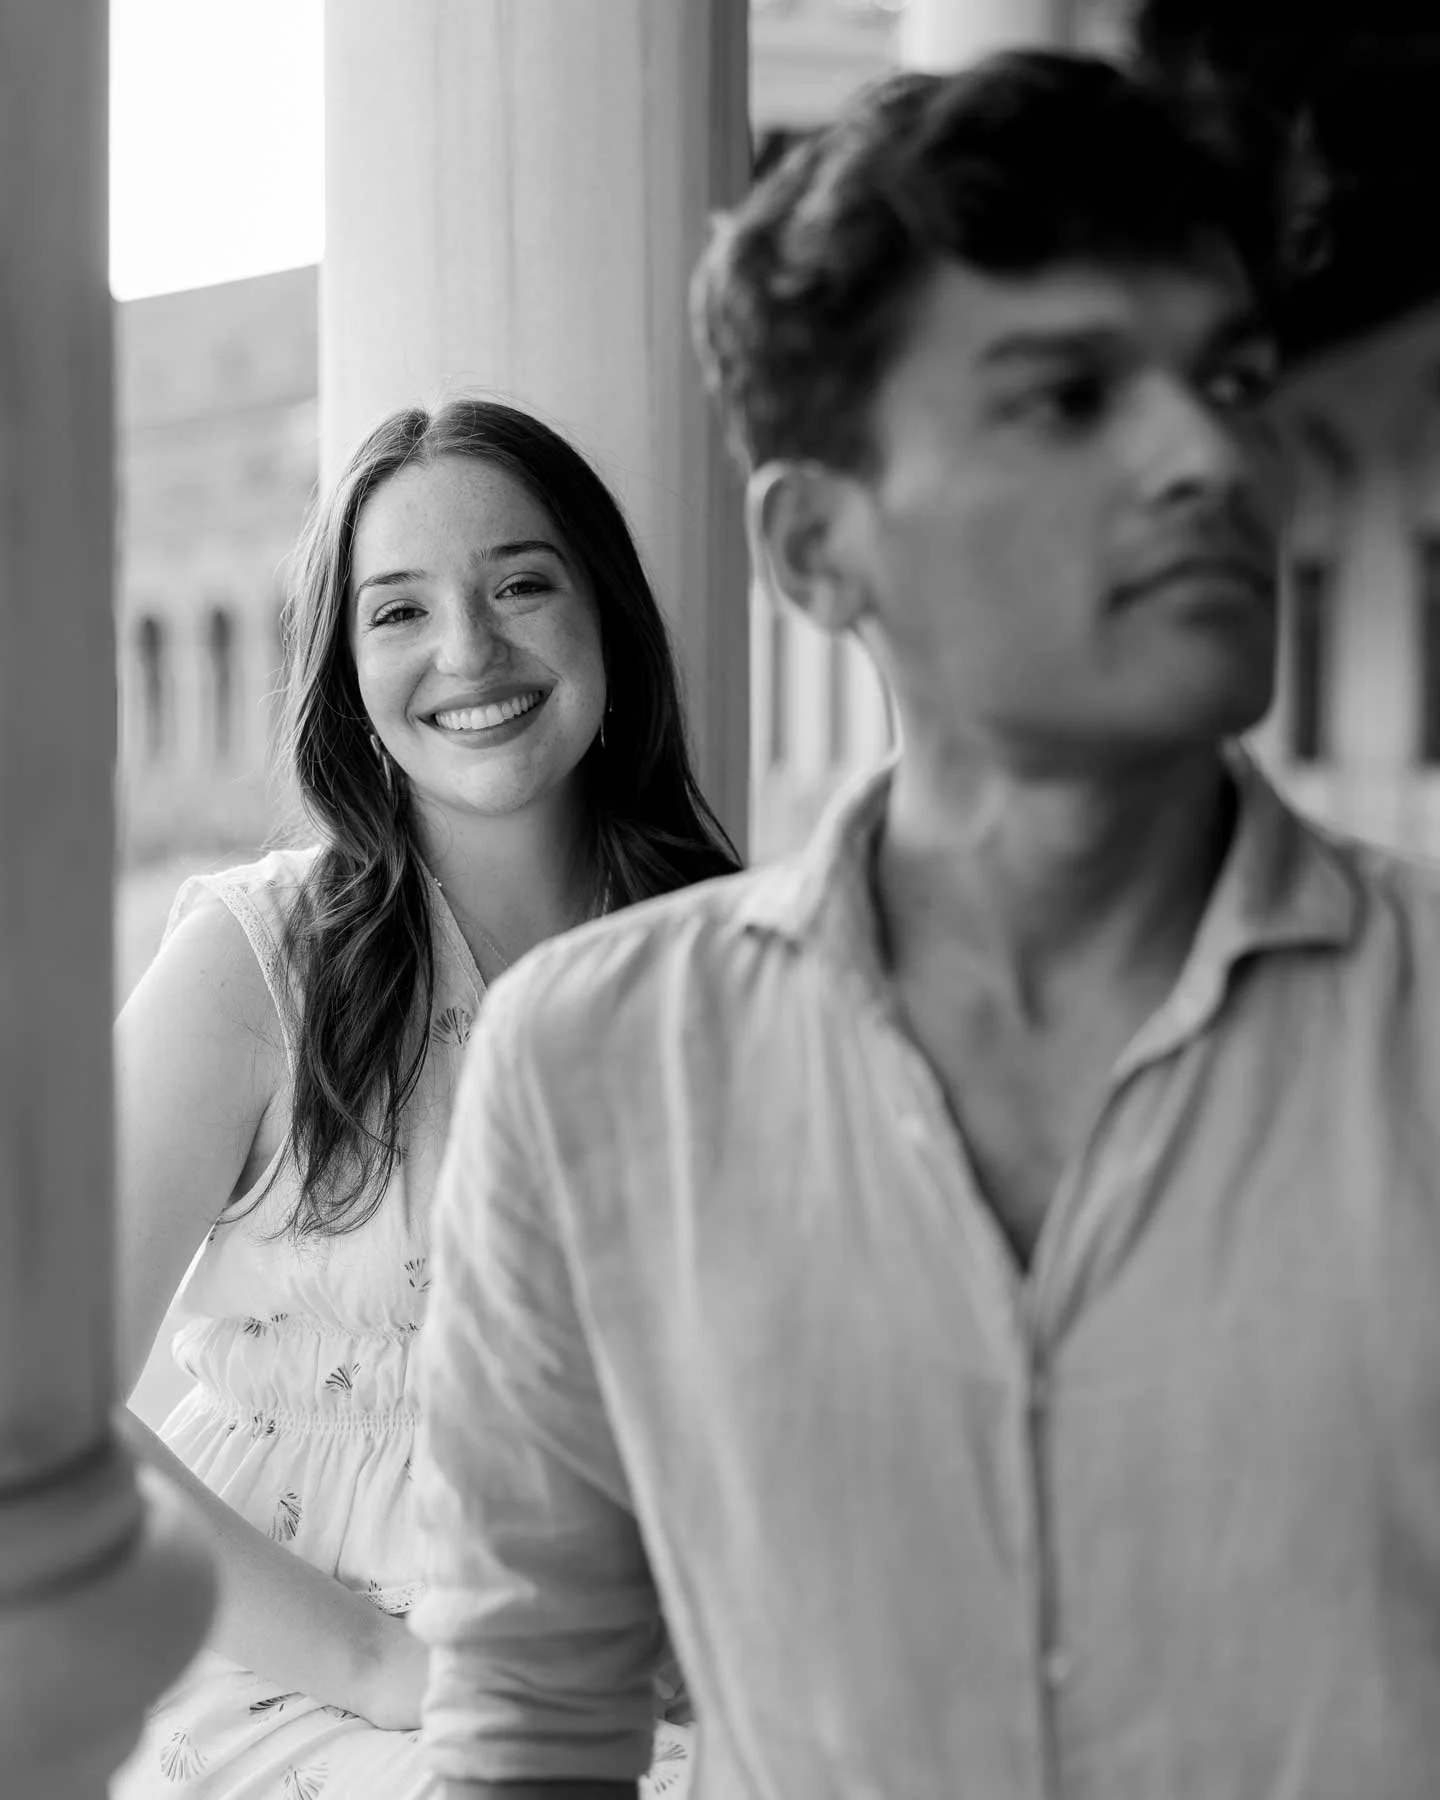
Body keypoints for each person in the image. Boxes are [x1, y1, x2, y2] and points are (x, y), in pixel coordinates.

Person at [412, 48, 1440, 1800]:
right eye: (1064, 396)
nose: (1212, 456)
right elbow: (529, 1721)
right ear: (820, 550)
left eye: (1233, 379)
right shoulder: (592, 1073)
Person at [110, 396, 736, 1800]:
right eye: (398, 612)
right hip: (300, 1688)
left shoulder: (730, 956)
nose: (470, 651)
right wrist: (395, 1672)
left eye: (522, 583)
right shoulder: (255, 965)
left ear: (607, 626)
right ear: (343, 670)